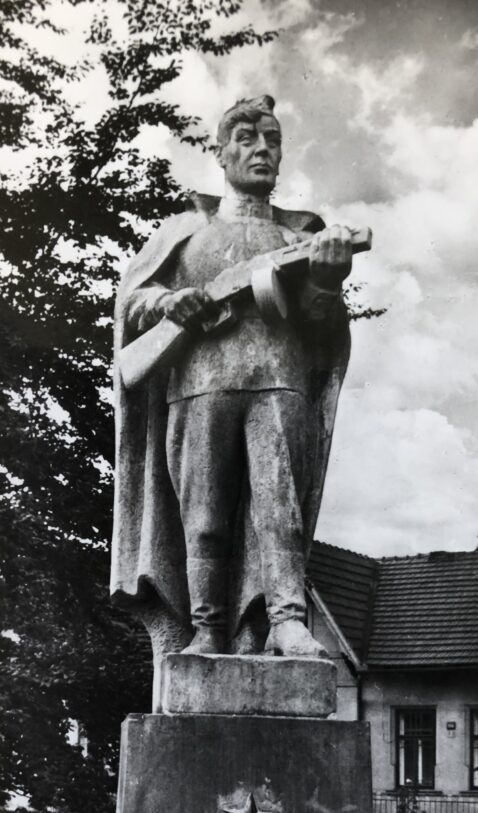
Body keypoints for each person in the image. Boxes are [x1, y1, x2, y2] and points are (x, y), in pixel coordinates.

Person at [111, 95, 354, 657]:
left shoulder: (302, 238)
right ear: (221, 155)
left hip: (279, 382)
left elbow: (320, 329)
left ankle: (288, 621)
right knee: (203, 517)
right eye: (247, 139)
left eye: (272, 140)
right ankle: (206, 629)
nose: (262, 149)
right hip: (198, 386)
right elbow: (134, 302)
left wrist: (328, 280)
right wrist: (174, 302)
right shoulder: (185, 230)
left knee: (280, 511)